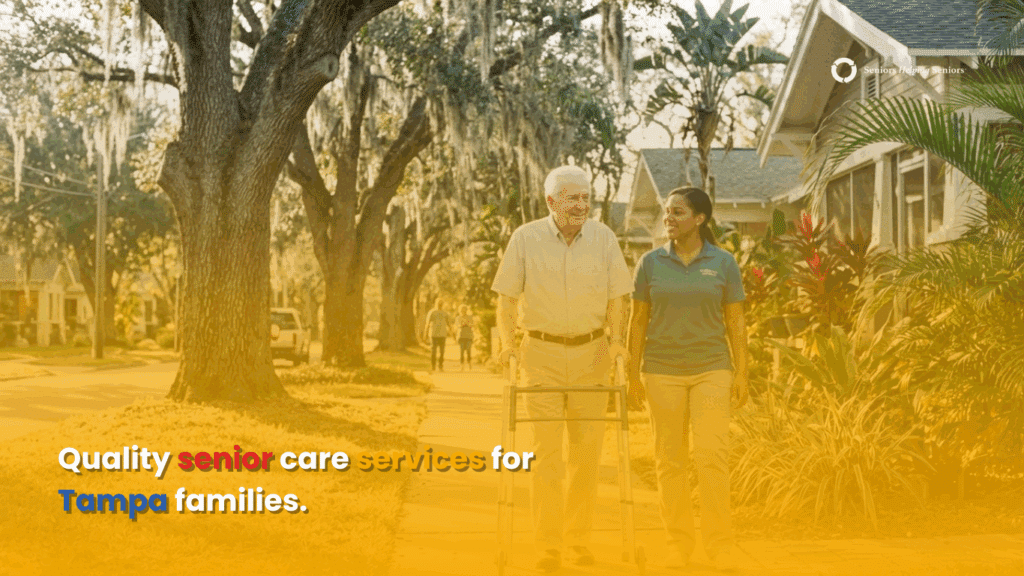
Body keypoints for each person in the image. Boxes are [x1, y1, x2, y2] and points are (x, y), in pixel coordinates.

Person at [492, 165, 633, 572]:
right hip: (542, 355)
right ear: (552, 202)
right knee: (548, 455)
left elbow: (617, 299)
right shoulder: (526, 238)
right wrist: (507, 343)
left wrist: (617, 339)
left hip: (592, 355)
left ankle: (578, 541)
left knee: (586, 456)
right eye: (574, 198)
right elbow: (505, 299)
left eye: (586, 197)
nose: (582, 205)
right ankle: (548, 545)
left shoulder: (604, 238)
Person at [626, 187, 750, 572]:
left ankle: (719, 544)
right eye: (667, 212)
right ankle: (678, 544)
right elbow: (638, 321)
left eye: (678, 212)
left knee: (712, 456)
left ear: (699, 219)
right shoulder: (649, 263)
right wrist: (631, 374)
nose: (669, 218)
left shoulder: (724, 263)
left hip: (712, 368)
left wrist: (742, 371)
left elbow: (736, 321)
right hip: (661, 371)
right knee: (670, 461)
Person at [424, 298, 451, 372]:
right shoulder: (432, 312)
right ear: (436, 303)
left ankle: (440, 366)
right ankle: (433, 366)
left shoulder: (445, 313)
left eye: (441, 303)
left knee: (442, 352)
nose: (440, 305)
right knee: (433, 351)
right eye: (439, 303)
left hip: (442, 334)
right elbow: (428, 323)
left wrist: (452, 334)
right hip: (433, 334)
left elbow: (449, 324)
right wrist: (425, 333)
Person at [456, 304, 475, 371]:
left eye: (464, 309)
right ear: (460, 310)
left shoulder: (470, 317)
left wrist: (468, 323)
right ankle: (462, 365)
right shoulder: (458, 318)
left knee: (468, 351)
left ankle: (470, 364)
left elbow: (472, 325)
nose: (463, 311)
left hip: (469, 336)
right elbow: (457, 326)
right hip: (461, 336)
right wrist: (462, 324)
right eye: (462, 310)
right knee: (461, 352)